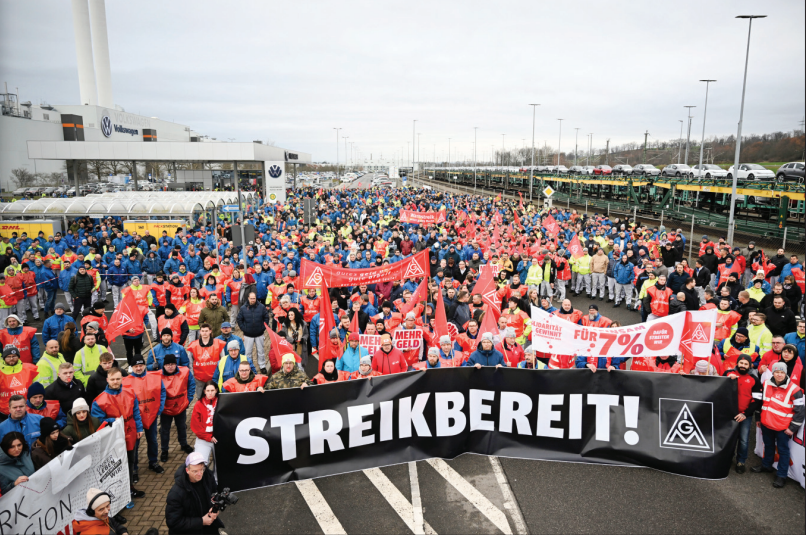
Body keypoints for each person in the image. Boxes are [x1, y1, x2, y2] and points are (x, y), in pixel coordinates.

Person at [91, 367, 146, 500]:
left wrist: (139, 428)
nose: (115, 382)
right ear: (107, 379)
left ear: (122, 379)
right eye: (113, 379)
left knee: (131, 461)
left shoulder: (130, 392)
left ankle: (130, 488)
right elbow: (96, 421)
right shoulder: (99, 400)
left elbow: (136, 412)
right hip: (113, 438)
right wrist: (112, 420)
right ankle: (117, 492)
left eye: (118, 379)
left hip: (130, 431)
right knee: (116, 465)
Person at [752, 361, 804, 488]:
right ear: (773, 372)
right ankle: (766, 465)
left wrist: (792, 428)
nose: (779, 374)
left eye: (782, 372)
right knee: (768, 446)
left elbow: (800, 411)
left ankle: (781, 475)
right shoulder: (766, 384)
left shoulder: (795, 389)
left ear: (786, 373)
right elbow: (761, 403)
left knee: (783, 451)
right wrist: (758, 417)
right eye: (776, 372)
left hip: (782, 428)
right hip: (766, 423)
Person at [122, 354, 166, 479]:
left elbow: (162, 392)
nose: (139, 368)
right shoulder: (126, 381)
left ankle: (153, 462)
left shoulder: (155, 377)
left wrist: (159, 408)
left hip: (151, 416)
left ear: (145, 366)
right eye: (136, 366)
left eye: (141, 365)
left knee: (152, 440)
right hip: (135, 419)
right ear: (132, 367)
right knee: (135, 444)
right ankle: (134, 469)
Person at [165, 451, 225, 535]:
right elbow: (173, 522)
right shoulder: (175, 494)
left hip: (209, 528)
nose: (199, 474)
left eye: (201, 469)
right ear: (187, 470)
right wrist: (201, 521)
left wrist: (215, 507)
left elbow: (214, 493)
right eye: (195, 471)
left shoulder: (208, 476)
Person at [724, 355, 762, 474]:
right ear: (737, 363)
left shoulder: (754, 379)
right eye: (741, 363)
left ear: (750, 365)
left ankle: (741, 461)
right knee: (727, 438)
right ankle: (727, 458)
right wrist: (726, 379)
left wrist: (745, 414)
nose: (743, 366)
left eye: (746, 364)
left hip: (745, 415)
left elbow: (757, 401)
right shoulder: (728, 373)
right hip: (728, 414)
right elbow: (718, 388)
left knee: (744, 440)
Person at [158, 354, 195, 462]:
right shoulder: (157, 376)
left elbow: (191, 385)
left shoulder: (185, 371)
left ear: (176, 364)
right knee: (165, 431)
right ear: (163, 365)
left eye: (172, 364)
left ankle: (184, 444)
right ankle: (164, 450)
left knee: (182, 427)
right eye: (168, 364)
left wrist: (188, 400)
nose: (170, 366)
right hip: (165, 409)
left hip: (181, 406)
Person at [187, 323, 227, 399]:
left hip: (215, 377)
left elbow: (223, 359)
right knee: (200, 398)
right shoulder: (193, 345)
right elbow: (190, 361)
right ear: (200, 332)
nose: (204, 333)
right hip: (199, 378)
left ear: (210, 331)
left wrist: (221, 373)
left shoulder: (218, 343)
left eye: (206, 331)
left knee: (216, 398)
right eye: (203, 331)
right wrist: (192, 373)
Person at [0, 345, 39, 420]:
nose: (11, 359)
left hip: (26, 411)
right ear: (4, 357)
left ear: (18, 356)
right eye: (8, 356)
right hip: (3, 413)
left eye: (14, 356)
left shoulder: (30, 369)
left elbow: (38, 389)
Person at [237, 291, 270, 374]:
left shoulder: (261, 307)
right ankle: (249, 366)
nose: (252, 300)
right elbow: (239, 319)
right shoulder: (243, 308)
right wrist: (243, 329)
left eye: (254, 298)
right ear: (248, 298)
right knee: (248, 352)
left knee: (261, 351)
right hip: (248, 334)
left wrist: (263, 328)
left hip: (259, 333)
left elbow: (266, 317)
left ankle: (262, 366)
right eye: (251, 298)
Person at [190, 381, 218, 462]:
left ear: (216, 390)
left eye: (212, 390)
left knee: (221, 465)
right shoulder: (199, 404)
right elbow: (196, 426)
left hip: (219, 438)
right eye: (208, 391)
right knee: (200, 462)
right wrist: (208, 437)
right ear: (204, 391)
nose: (210, 393)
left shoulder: (222, 402)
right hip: (203, 439)